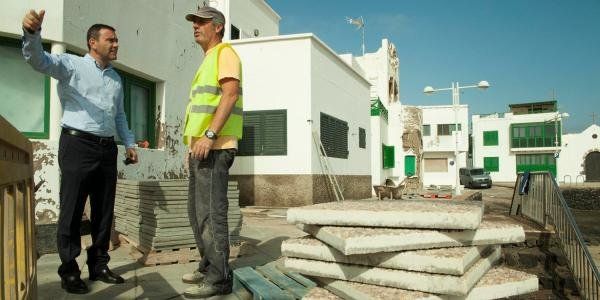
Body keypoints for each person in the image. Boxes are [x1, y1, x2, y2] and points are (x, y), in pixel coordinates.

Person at [22, 9, 138, 294]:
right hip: (77, 146)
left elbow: (119, 115)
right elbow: (38, 61)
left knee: (103, 211)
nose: (116, 44)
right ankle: (69, 270)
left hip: (107, 149)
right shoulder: (71, 65)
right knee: (72, 209)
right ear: (92, 42)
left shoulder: (116, 79)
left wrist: (130, 143)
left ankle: (98, 264)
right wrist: (32, 34)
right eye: (110, 40)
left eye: (117, 40)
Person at [181, 6, 243, 298]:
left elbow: (230, 95)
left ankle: (220, 279)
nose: (195, 26)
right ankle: (208, 266)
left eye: (201, 22)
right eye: (194, 22)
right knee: (197, 214)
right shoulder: (207, 60)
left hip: (215, 148)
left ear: (217, 27)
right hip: (201, 149)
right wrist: (191, 145)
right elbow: (199, 108)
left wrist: (209, 135)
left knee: (211, 214)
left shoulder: (225, 53)